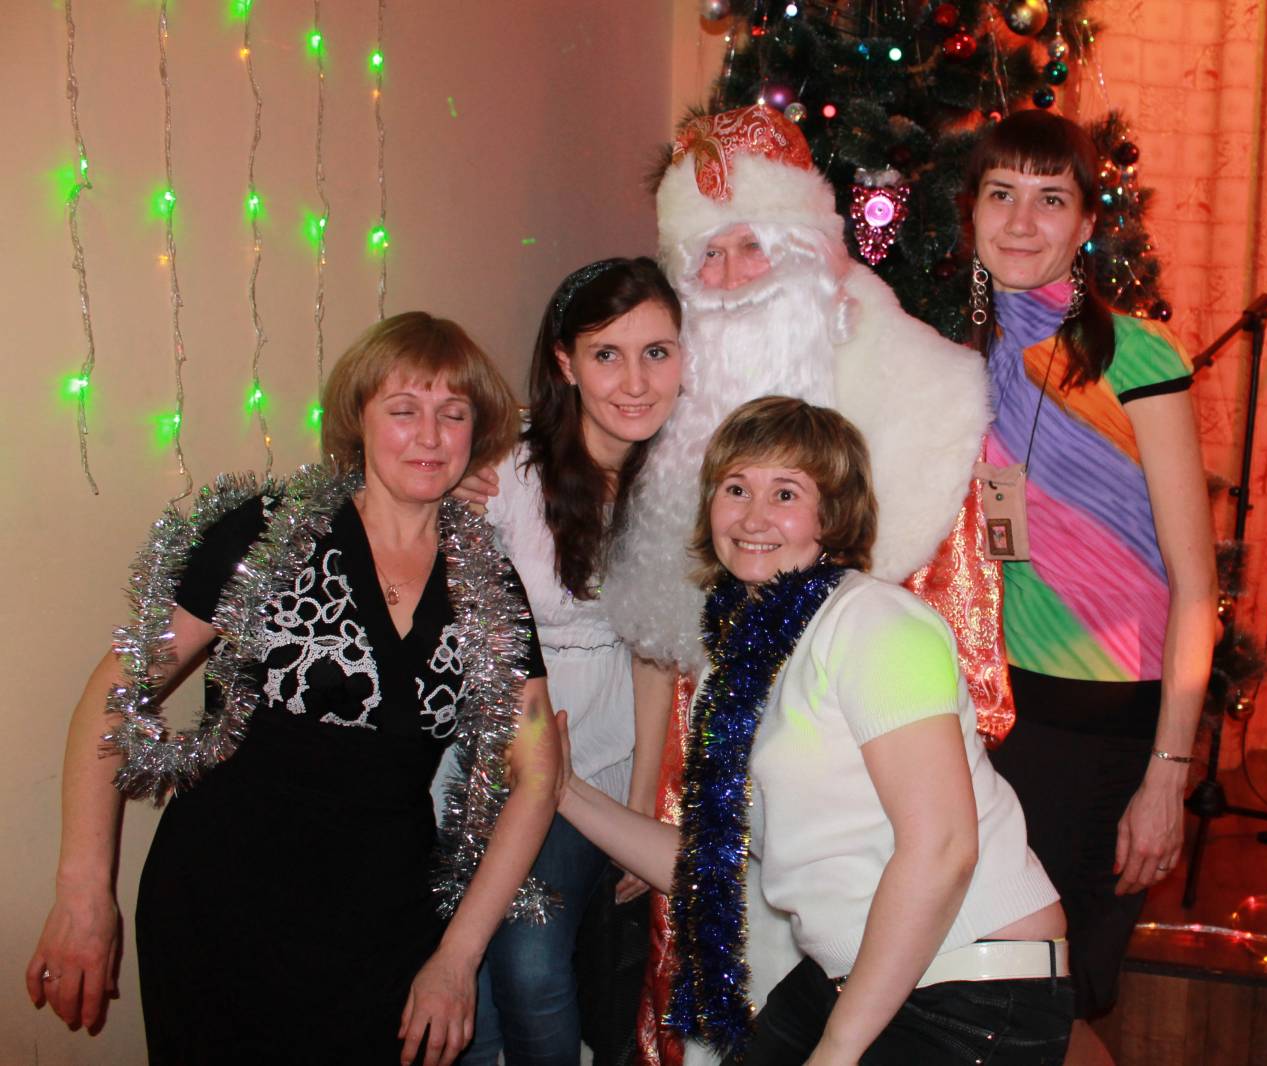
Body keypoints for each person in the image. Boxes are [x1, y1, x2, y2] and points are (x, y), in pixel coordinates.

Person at [25, 313, 561, 1066]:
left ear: (479, 430)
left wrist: (457, 956)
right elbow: (115, 690)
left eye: (453, 413)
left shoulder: (488, 583)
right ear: (359, 420)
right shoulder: (269, 532)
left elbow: (536, 772)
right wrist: (84, 891)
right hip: (220, 907)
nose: (430, 436)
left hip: (384, 927)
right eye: (403, 410)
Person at [557, 397, 1073, 1065]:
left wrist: (838, 1049)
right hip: (859, 974)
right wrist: (562, 788)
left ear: (832, 516)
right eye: (735, 488)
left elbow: (944, 848)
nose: (753, 517)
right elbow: (716, 871)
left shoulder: (874, 623)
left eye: (785, 493)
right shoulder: (739, 665)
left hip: (972, 983)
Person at [964, 110, 1218, 1053]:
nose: (1021, 221)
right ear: (971, 212)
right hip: (989, 726)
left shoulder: (1138, 356)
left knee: (1053, 1007)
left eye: (1050, 199)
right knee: (982, 997)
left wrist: (1168, 776)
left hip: (1108, 735)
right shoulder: (953, 359)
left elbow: (1196, 584)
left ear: (1085, 224)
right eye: (1001, 194)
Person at [456, 258, 683, 1066]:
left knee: (531, 960)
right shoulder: (506, 473)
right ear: (565, 363)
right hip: (488, 742)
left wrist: (641, 802)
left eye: (656, 353)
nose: (635, 382)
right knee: (471, 980)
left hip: (597, 752)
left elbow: (656, 653)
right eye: (606, 354)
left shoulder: (679, 484)